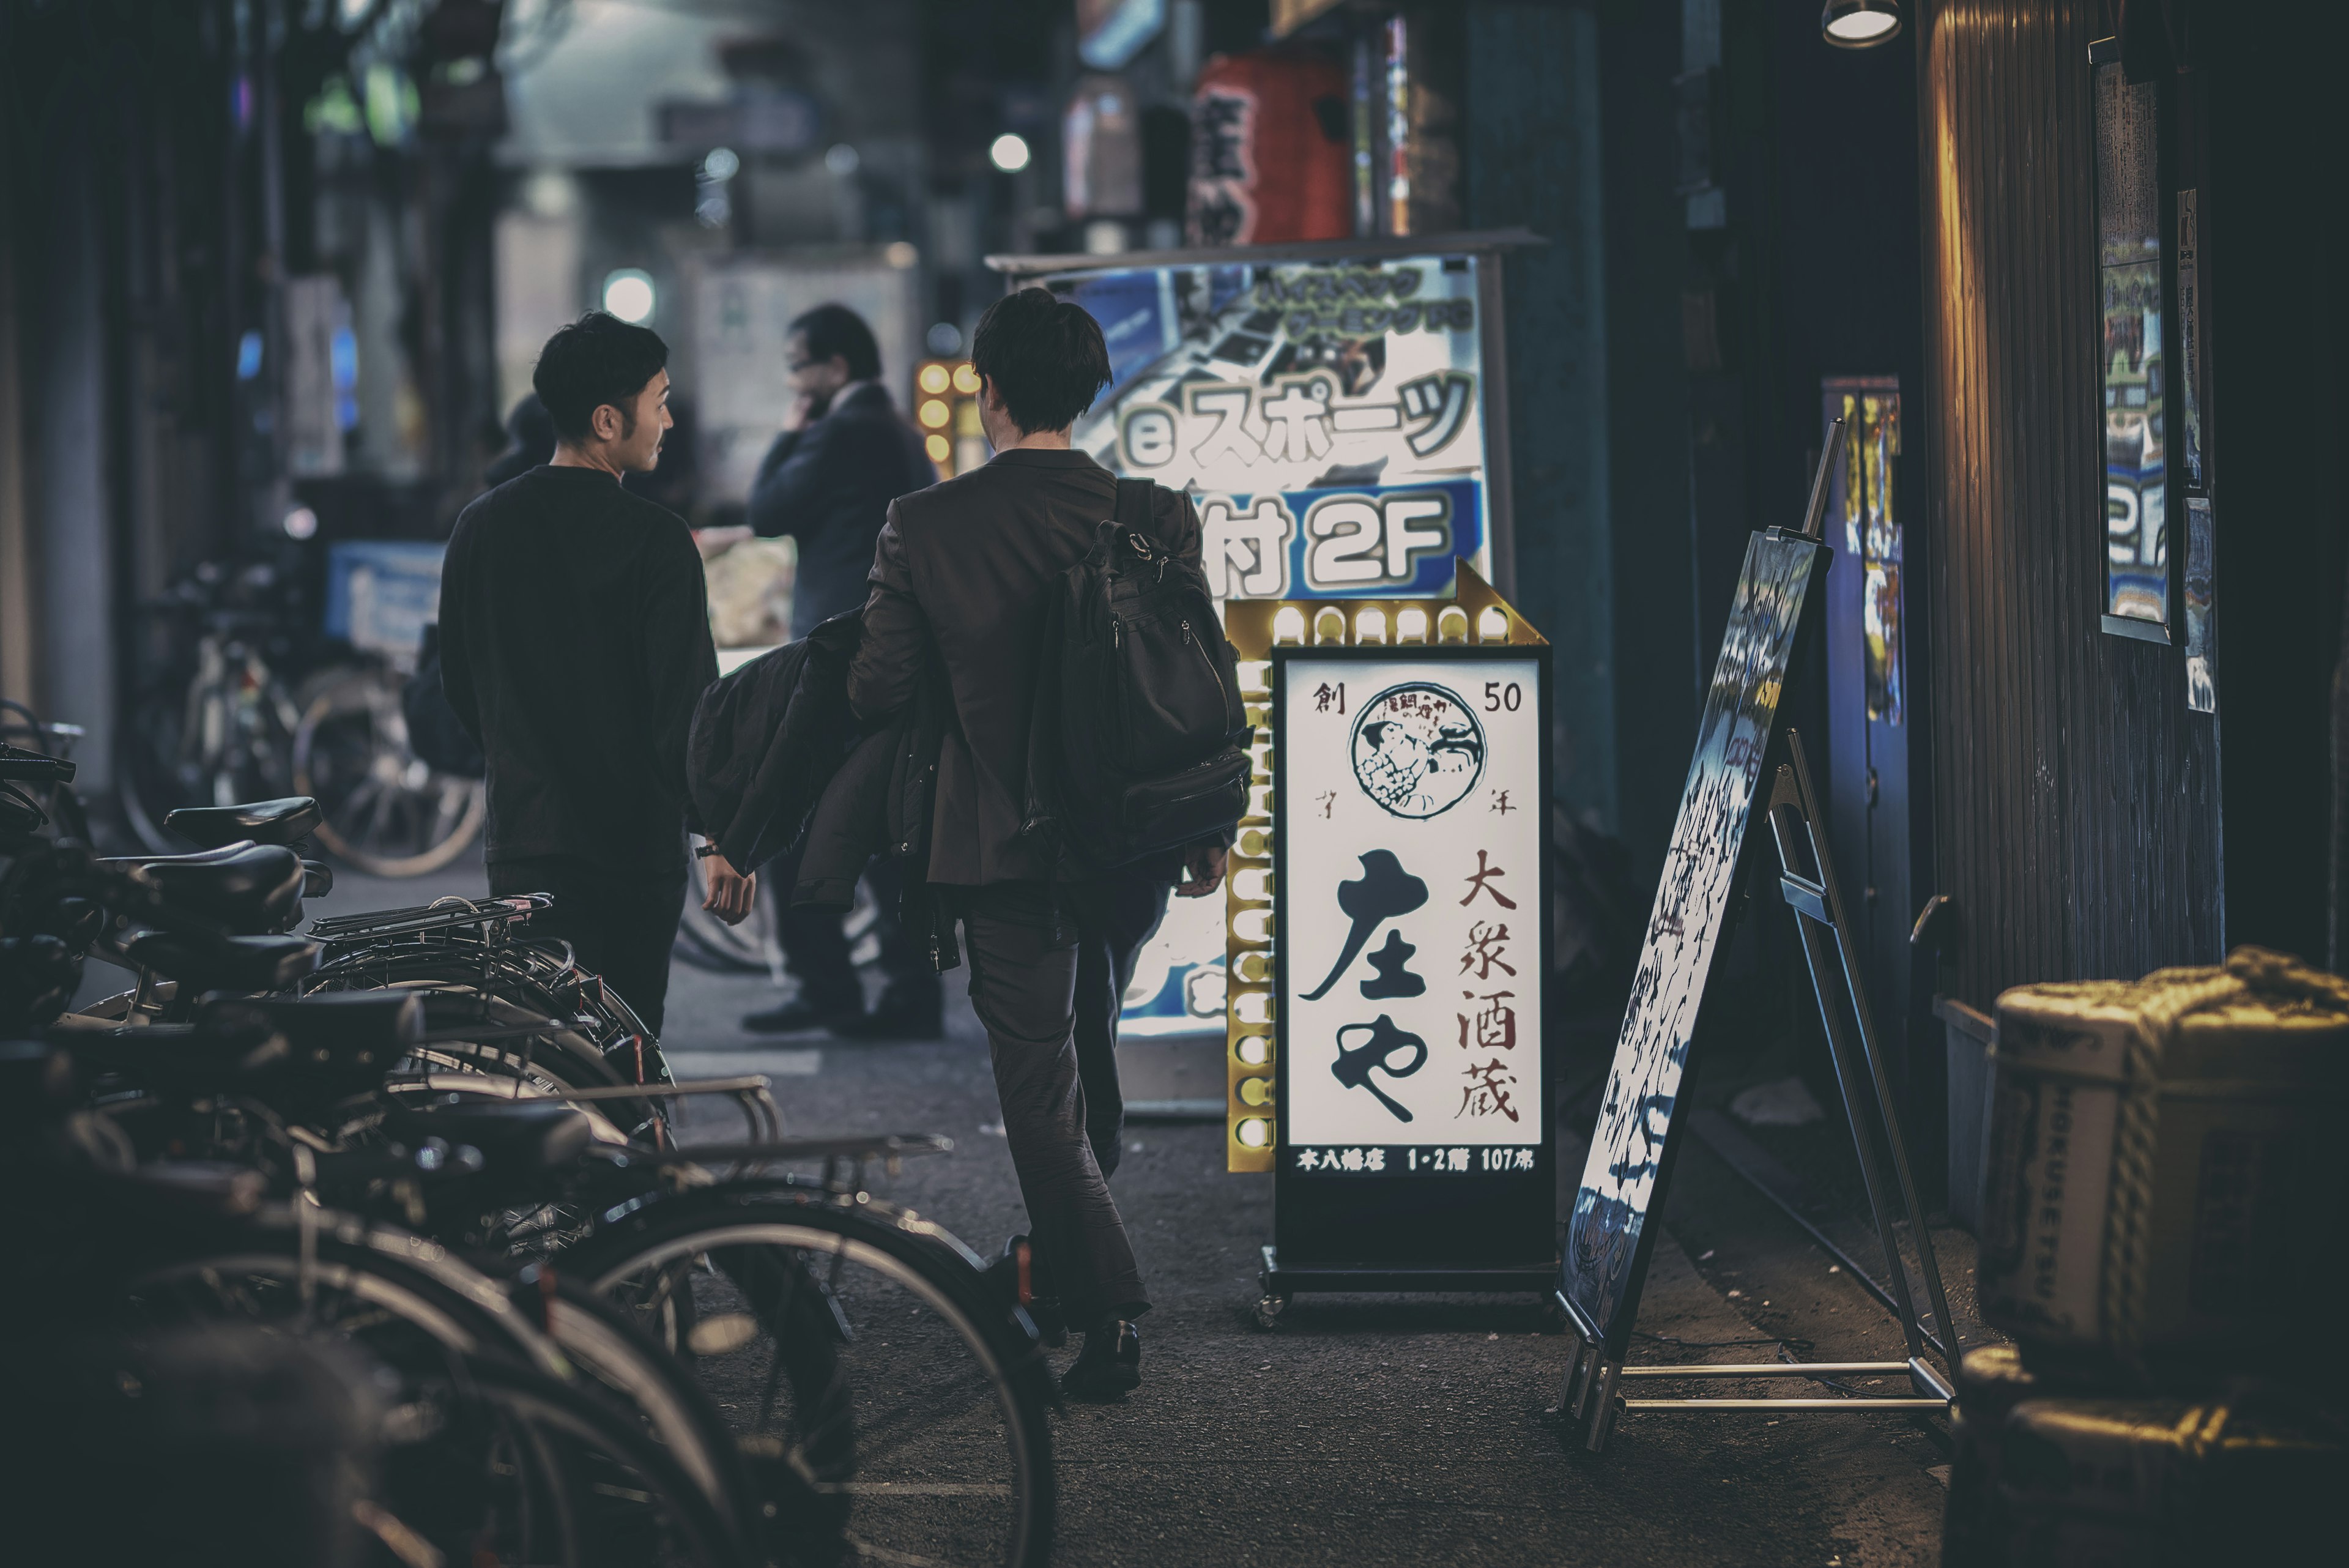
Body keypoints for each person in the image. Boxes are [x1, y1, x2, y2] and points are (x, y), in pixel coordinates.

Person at [848, 286, 1228, 1399]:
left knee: (1042, 1089)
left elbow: (880, 686)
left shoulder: (924, 525)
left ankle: (1103, 1312)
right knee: (1089, 1045)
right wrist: (1207, 825)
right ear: (1093, 387)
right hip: (1131, 840)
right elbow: (1199, 676)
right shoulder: (1155, 515)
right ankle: (1052, 1276)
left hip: (1001, 846)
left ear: (989, 390)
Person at [437, 311, 755, 1036]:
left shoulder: (480, 526)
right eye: (660, 400)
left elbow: (460, 681)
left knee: (538, 1054)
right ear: (609, 420)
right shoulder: (656, 541)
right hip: (630, 850)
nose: (667, 421)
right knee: (624, 1048)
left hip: (524, 840)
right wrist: (720, 832)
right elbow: (688, 708)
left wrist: (521, 759)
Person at [736, 303, 941, 1039]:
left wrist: (789, 433)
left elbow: (766, 510)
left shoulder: (839, 432)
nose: (794, 378)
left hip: (838, 658)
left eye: (798, 364)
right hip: (902, 657)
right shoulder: (905, 436)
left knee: (790, 821)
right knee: (889, 833)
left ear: (834, 369)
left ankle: (829, 985)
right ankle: (909, 991)